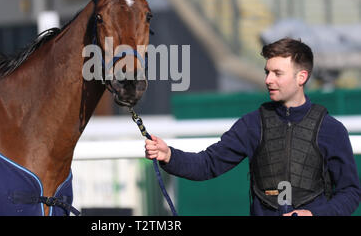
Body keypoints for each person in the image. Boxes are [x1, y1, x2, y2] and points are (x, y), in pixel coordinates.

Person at [145, 38, 361, 216]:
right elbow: (207, 164)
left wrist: (315, 215)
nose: (268, 80)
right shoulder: (252, 124)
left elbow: (350, 192)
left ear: (301, 77)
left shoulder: (331, 129)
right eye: (267, 72)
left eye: (277, 73)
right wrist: (169, 155)